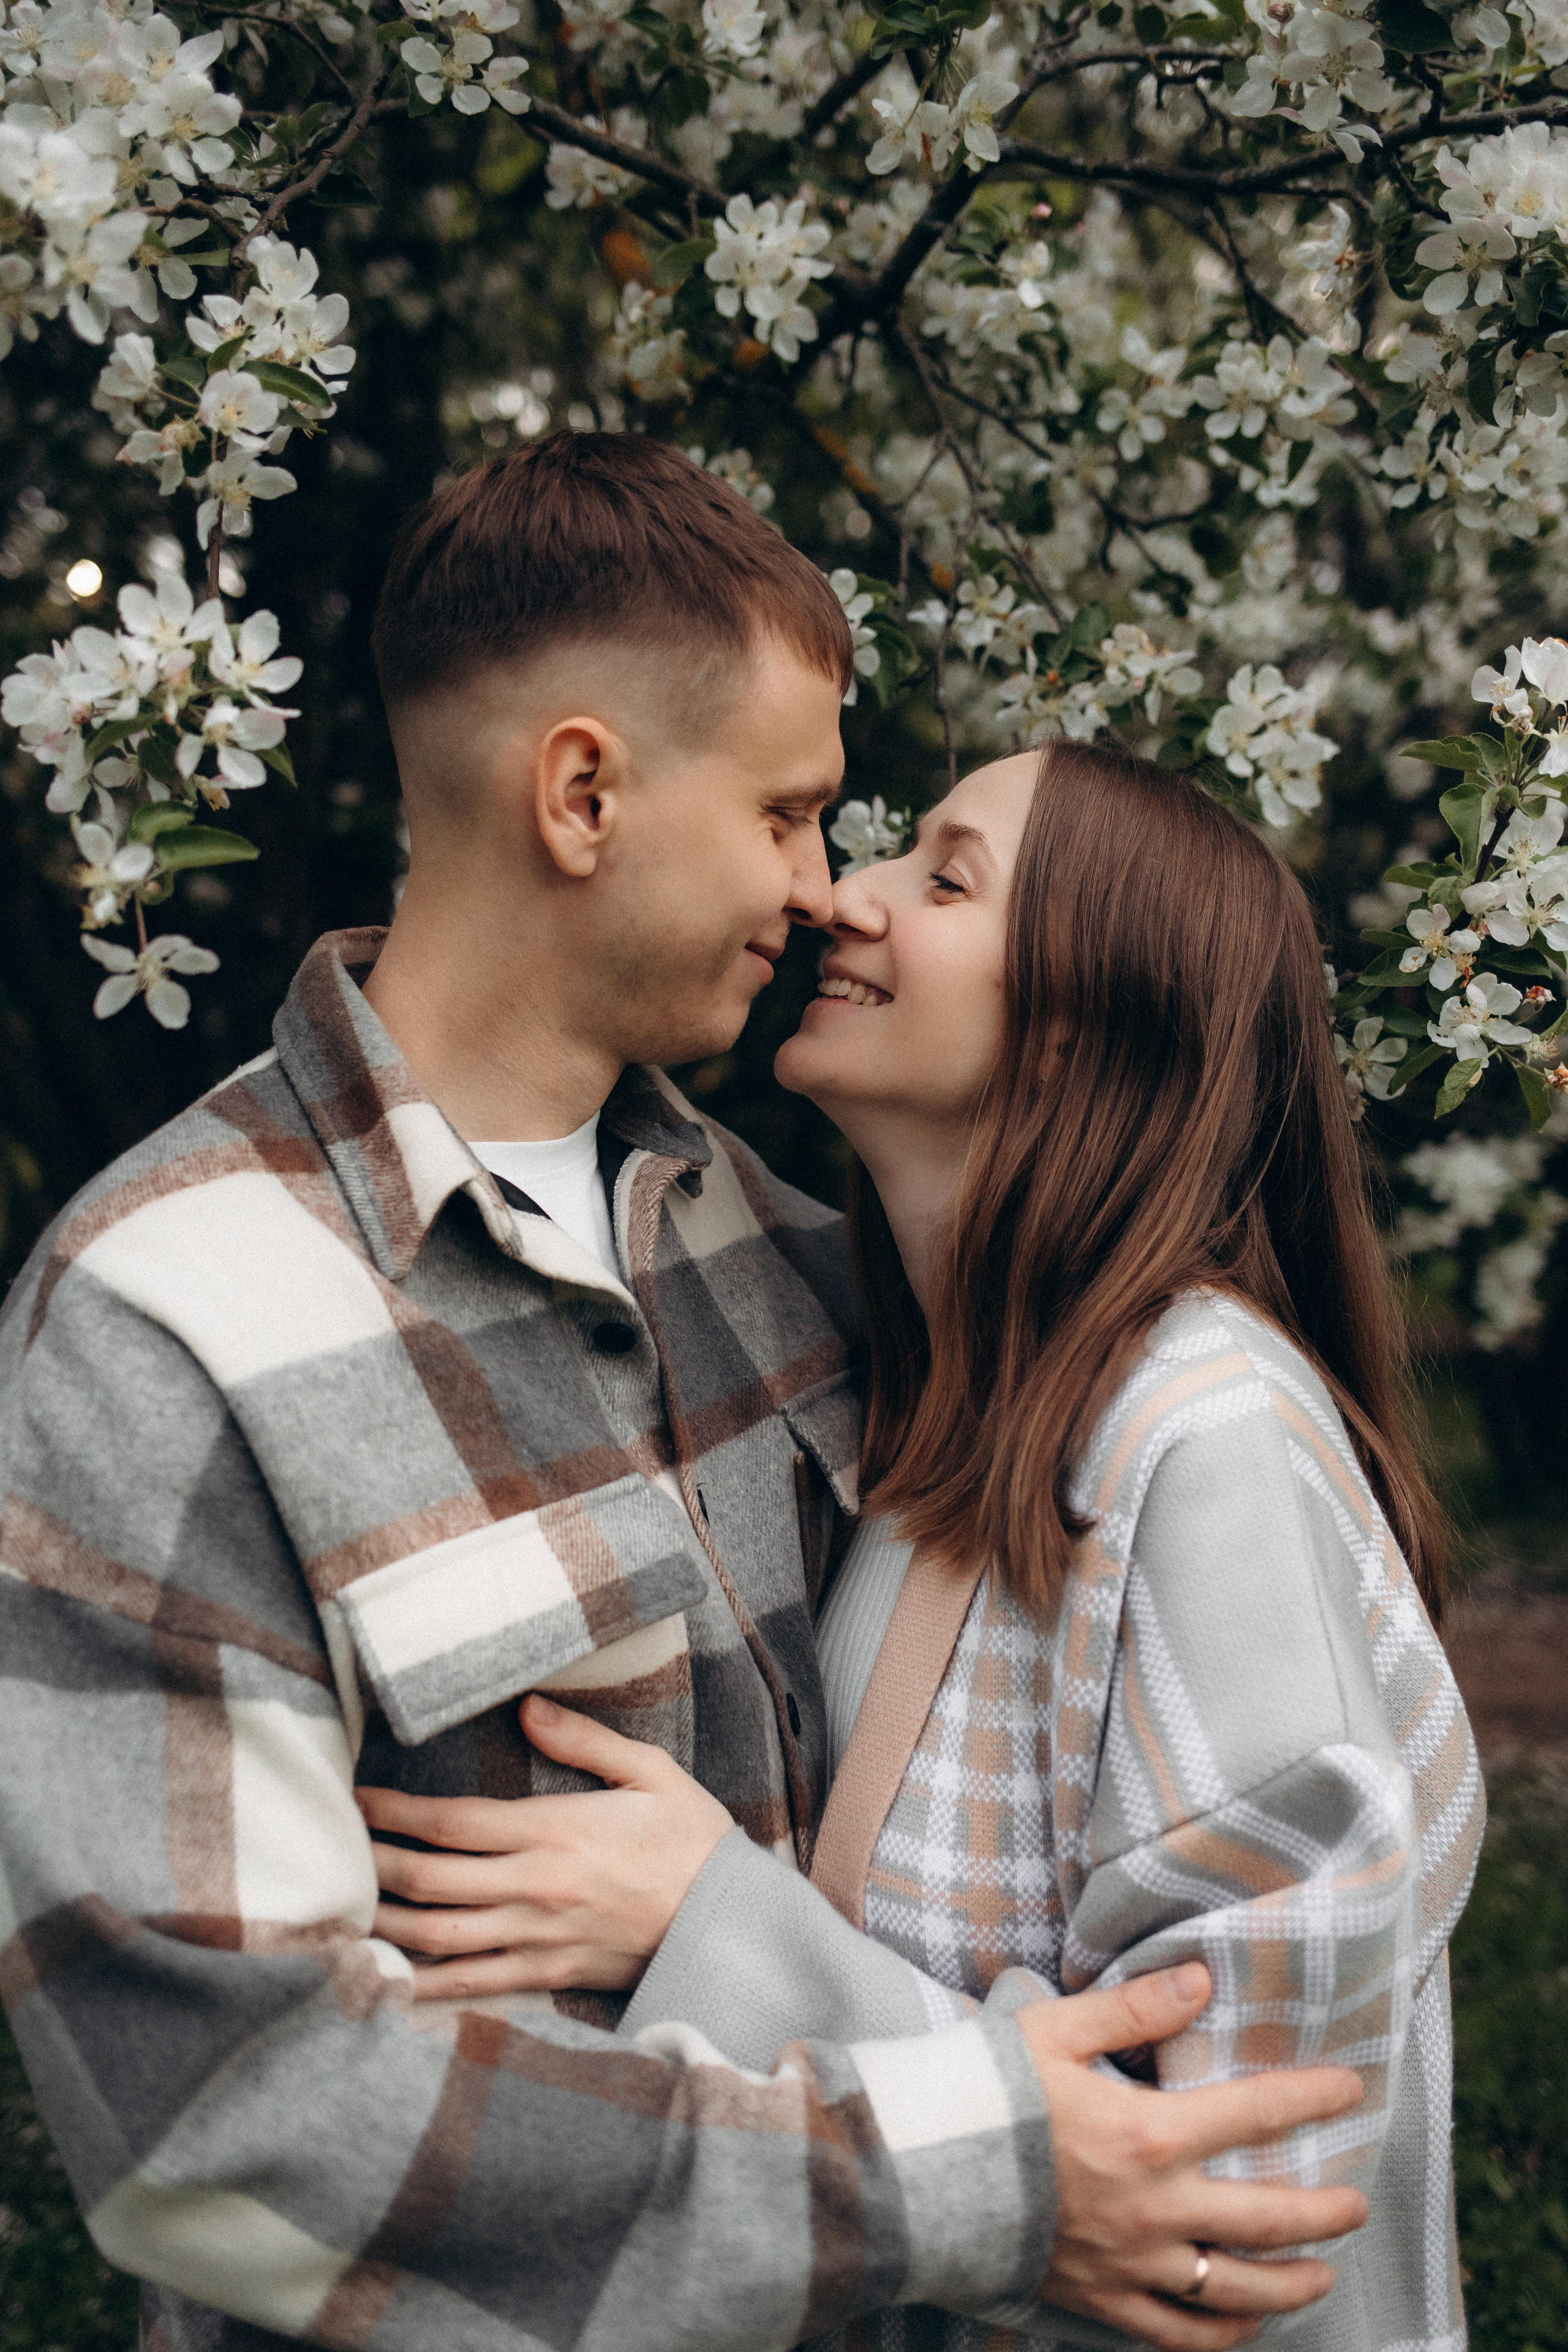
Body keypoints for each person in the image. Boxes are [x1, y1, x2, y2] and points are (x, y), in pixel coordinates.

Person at [0, 437, 1368, 2352]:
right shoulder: (164, 1324)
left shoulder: (794, 1257)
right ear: (584, 793)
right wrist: (954, 2174)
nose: (823, 892)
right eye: (794, 814)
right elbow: (218, 2124)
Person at [361, 740, 1485, 2350]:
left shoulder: (1203, 1442)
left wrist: (713, 1927)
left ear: (1095, 1025)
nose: (840, 896)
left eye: (944, 878)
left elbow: (1241, 2198)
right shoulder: (923, 1414)